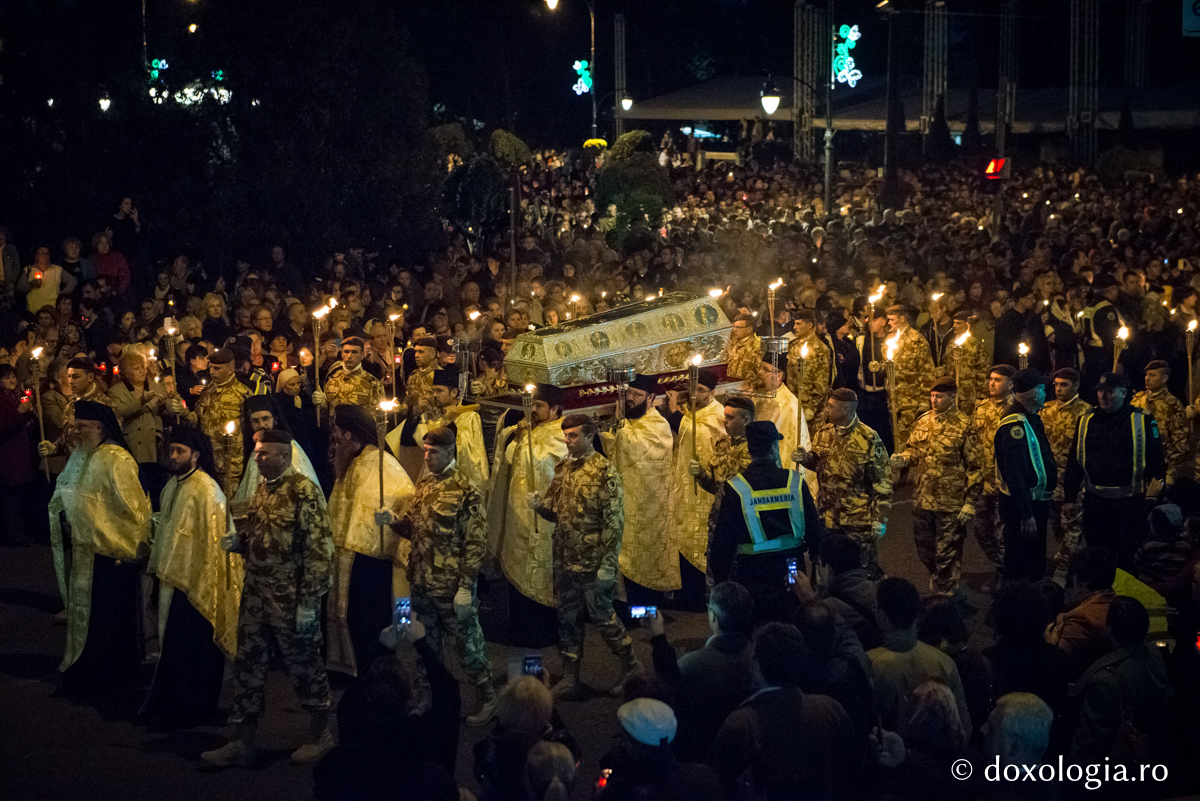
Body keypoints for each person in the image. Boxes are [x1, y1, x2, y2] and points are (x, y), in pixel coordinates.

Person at [202, 429, 335, 767]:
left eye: (264, 454)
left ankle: (321, 733)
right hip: (257, 596)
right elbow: (267, 538)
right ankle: (242, 741)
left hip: (290, 600)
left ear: (284, 456)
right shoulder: (263, 488)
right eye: (257, 452)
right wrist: (242, 543)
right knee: (248, 667)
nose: (257, 458)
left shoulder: (304, 492)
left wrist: (309, 603)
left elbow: (319, 552)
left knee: (304, 667)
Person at [378, 425, 496, 724]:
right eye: (425, 451)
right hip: (422, 582)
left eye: (433, 452)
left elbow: (475, 543)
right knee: (425, 648)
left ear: (450, 452)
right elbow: (414, 529)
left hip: (451, 584)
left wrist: (466, 587)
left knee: (468, 645)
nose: (427, 457)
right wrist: (393, 522)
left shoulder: (466, 491)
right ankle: (426, 698)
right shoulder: (426, 486)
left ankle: (488, 698)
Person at [47, 400, 152, 712]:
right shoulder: (80, 454)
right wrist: (64, 514)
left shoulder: (118, 459)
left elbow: (135, 510)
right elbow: (66, 488)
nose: (77, 432)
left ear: (101, 427)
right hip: (84, 551)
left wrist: (130, 546)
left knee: (109, 620)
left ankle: (110, 677)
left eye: (83, 427)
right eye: (75, 426)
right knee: (85, 620)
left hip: (111, 556)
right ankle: (85, 670)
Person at [139, 425, 240, 730]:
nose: (173, 455)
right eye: (171, 450)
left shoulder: (207, 491)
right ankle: (174, 705)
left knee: (194, 653)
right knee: (175, 651)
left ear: (196, 455)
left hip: (197, 585)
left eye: (180, 451)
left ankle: (195, 709)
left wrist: (201, 580)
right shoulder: (173, 485)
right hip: (174, 579)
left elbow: (215, 545)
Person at [532, 413, 636, 700]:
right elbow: (556, 512)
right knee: (567, 620)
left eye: (574, 435)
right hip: (565, 558)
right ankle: (570, 676)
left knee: (604, 618)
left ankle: (632, 669)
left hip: (592, 561)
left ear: (590, 437)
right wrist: (539, 507)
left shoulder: (605, 473)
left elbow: (614, 524)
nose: (567, 441)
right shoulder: (563, 467)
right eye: (565, 435)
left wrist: (608, 567)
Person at [708, 622, 859, 800]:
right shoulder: (831, 709)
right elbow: (850, 769)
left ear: (756, 668)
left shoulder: (741, 724)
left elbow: (715, 781)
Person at [313, 620, 462, 801]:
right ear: (411, 698)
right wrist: (421, 643)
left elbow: (349, 703)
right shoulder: (426, 738)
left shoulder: (339, 760)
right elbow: (449, 694)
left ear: (368, 697)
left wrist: (382, 645)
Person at [324, 405, 415, 679]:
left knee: (370, 620)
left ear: (350, 434)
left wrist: (388, 519)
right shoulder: (351, 461)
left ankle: (376, 673)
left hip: (371, 564)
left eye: (337, 433)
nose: (335, 439)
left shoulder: (382, 464)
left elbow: (404, 497)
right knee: (352, 618)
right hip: (347, 558)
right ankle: (349, 670)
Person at [708, 421, 822, 618]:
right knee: (793, 623)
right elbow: (814, 530)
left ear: (750, 449)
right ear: (774, 447)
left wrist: (720, 582)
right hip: (792, 568)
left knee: (758, 626)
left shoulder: (736, 487)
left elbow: (722, 542)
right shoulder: (794, 481)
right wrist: (816, 567)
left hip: (752, 572)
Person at [1063, 372, 1166, 570]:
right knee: (1098, 554)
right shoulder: (1086, 420)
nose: (1103, 396)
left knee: (1127, 555)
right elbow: (1074, 461)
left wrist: (1154, 498)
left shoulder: (1142, 420)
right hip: (1096, 502)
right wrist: (1069, 497)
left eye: (1109, 392)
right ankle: (1101, 595)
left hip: (1130, 503)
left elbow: (1156, 462)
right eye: (1100, 391)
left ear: (1124, 393)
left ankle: (1124, 598)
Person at [488, 383, 567, 639]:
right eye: (531, 404)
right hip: (518, 515)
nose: (532, 410)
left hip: (544, 519)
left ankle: (543, 632)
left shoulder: (562, 435)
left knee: (542, 571)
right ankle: (520, 628)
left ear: (555, 409)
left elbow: (548, 466)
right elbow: (510, 460)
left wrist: (528, 444)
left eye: (539, 406)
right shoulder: (526, 430)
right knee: (517, 566)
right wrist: (519, 438)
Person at [891, 378, 982, 597]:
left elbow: (976, 466)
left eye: (939, 396)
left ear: (952, 397)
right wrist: (904, 458)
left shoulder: (964, 425)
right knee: (925, 549)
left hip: (951, 501)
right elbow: (914, 450)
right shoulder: (923, 421)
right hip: (923, 498)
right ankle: (942, 583)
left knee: (947, 553)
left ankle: (946, 597)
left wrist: (970, 503)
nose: (934, 400)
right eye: (932, 396)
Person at [647, 581, 757, 762]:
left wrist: (657, 637)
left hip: (701, 753)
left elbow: (670, 691)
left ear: (713, 616)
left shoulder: (692, 664)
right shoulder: (759, 658)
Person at [795, 388, 892, 577]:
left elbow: (883, 482)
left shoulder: (868, 438)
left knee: (862, 571)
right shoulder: (824, 433)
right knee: (829, 568)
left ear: (846, 409)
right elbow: (819, 464)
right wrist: (805, 459)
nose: (826, 410)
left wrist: (880, 520)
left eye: (830, 407)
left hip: (856, 520)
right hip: (828, 516)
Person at [598, 373, 678, 601]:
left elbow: (634, 450)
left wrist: (619, 423)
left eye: (637, 394)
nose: (630, 398)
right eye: (628, 393)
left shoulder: (658, 424)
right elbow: (615, 447)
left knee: (643, 562)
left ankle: (648, 614)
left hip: (649, 508)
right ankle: (629, 610)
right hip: (627, 501)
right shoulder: (630, 421)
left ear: (651, 397)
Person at [1067, 596, 1172, 765]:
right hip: (1150, 759)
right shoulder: (1154, 655)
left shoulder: (1105, 681)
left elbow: (1089, 743)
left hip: (1113, 769)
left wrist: (1074, 774)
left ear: (1109, 630)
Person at [868, 577, 972, 736]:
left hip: (892, 755)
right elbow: (963, 726)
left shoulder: (870, 663)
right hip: (938, 755)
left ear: (881, 615)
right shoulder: (944, 662)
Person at [667, 367, 725, 602]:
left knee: (697, 538)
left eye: (701, 391)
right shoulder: (692, 410)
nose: (695, 394)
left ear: (712, 393)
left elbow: (698, 435)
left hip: (704, 489)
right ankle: (684, 594)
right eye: (692, 389)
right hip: (683, 484)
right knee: (681, 534)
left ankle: (697, 597)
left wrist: (674, 413)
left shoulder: (717, 413)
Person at [994, 368, 1057, 584]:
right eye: (1042, 389)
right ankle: (1020, 609)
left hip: (1032, 502)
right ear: (1032, 393)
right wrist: (1026, 513)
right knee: (1023, 564)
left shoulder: (1030, 418)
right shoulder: (1015, 425)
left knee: (1033, 559)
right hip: (1022, 505)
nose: (1046, 393)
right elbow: (1014, 472)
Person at [595, 697, 724, 801]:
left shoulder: (618, 791)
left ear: (632, 748)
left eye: (624, 739)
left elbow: (603, 782)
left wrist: (600, 792)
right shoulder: (705, 780)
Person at [173, 348, 252, 489]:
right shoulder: (207, 391)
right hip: (208, 462)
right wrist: (183, 412)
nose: (212, 372)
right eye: (211, 368)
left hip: (232, 468)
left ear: (230, 369)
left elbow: (250, 433)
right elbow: (197, 422)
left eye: (217, 368)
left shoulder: (243, 395)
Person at [1040, 368, 1091, 586]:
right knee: (1057, 528)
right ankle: (1072, 564)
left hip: (1073, 482)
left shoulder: (1087, 412)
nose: (1058, 389)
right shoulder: (1045, 409)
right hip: (1049, 481)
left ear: (1076, 386)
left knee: (1072, 528)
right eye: (1056, 385)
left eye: (1064, 385)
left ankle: (1063, 569)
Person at [407, 367, 489, 493]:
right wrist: (417, 412)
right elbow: (418, 441)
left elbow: (465, 454)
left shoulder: (470, 417)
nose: (434, 395)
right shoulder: (433, 415)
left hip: (458, 487)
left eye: (439, 391)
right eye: (433, 391)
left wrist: (449, 423)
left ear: (454, 392)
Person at [970, 364, 1016, 589]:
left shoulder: (1016, 409)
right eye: (990, 379)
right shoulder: (980, 409)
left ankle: (1007, 575)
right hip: (982, 481)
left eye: (998, 380)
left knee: (1003, 533)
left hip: (1003, 482)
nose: (991, 383)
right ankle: (1000, 566)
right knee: (981, 529)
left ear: (1010, 383)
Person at [1046, 546, 1118, 679]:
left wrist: (1048, 636)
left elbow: (1058, 663)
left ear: (1084, 580)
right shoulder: (1115, 603)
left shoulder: (1081, 618)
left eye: (1074, 575)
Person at [234, 394, 319, 500]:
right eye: (255, 421)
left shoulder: (290, 448)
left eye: (265, 419)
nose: (261, 425)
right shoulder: (254, 451)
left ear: (275, 419)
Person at [885, 304, 935, 450]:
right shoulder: (890, 340)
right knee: (896, 439)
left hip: (911, 402)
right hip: (894, 400)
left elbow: (926, 372)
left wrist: (925, 401)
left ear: (902, 318)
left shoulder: (917, 341)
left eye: (892, 320)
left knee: (909, 443)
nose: (889, 323)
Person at [1132, 360, 1188, 487]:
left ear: (1164, 378)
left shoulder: (1173, 405)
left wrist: (1171, 472)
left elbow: (1180, 443)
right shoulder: (1137, 400)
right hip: (1136, 464)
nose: (1147, 379)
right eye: (1146, 375)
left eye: (1152, 375)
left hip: (1161, 465)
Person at [752, 355, 805, 475]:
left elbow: (789, 446)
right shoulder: (757, 394)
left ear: (779, 375)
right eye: (759, 368)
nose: (759, 372)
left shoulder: (790, 405)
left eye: (765, 369)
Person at [313, 336, 383, 421]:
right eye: (346, 351)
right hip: (336, 433)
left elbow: (378, 418)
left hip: (360, 432)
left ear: (362, 355)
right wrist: (322, 403)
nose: (349, 356)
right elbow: (326, 414)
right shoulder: (332, 380)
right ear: (342, 354)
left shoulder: (372, 383)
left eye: (354, 352)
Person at [855, 307, 894, 449]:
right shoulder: (861, 340)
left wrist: (881, 366)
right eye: (868, 320)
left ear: (884, 321)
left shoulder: (891, 340)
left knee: (884, 431)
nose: (870, 323)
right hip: (865, 393)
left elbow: (897, 363)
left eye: (875, 320)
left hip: (883, 393)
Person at [788, 308, 831, 426]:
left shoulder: (820, 348)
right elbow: (791, 377)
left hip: (814, 410)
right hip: (795, 402)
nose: (794, 327)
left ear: (809, 325)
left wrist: (811, 407)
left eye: (798, 324)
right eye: (794, 323)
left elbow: (821, 381)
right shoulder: (794, 345)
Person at [943, 310, 988, 414]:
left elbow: (983, 372)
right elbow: (946, 366)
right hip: (952, 394)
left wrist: (981, 397)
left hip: (968, 396)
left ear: (967, 324)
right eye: (954, 323)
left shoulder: (975, 346)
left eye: (958, 323)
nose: (954, 326)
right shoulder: (951, 345)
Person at [724, 313, 760, 381]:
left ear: (749, 329)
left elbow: (760, 374)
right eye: (734, 327)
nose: (734, 330)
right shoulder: (734, 346)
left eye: (738, 327)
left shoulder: (757, 348)